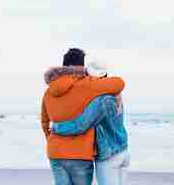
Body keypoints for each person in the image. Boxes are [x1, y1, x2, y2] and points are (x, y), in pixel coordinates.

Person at [40, 48, 125, 185]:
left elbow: (44, 121)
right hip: (80, 154)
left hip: (55, 153)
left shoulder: (49, 91)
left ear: (63, 65)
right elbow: (119, 83)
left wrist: (51, 139)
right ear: (81, 66)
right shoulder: (87, 85)